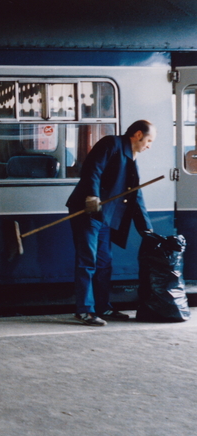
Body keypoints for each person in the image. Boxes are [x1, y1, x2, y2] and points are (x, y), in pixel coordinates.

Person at [66, 120, 156, 326]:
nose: (149, 145)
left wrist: (146, 228)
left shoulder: (132, 159)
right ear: (138, 134)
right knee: (87, 259)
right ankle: (84, 310)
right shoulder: (111, 144)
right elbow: (92, 169)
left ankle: (102, 307)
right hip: (87, 210)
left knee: (104, 263)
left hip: (105, 216)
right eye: (149, 140)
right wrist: (92, 195)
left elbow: (136, 195)